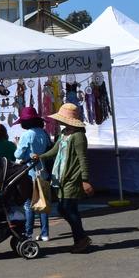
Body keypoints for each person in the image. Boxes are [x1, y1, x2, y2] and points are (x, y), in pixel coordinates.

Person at [33, 103, 93, 253]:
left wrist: (85, 179)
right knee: (66, 208)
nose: (58, 122)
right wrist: (40, 156)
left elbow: (82, 158)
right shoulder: (65, 133)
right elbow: (55, 151)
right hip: (61, 176)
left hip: (73, 177)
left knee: (66, 207)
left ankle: (82, 239)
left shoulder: (78, 136)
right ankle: (81, 238)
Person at [14, 107, 52, 242]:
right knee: (43, 203)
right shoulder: (44, 133)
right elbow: (49, 148)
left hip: (30, 173)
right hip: (44, 172)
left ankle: (28, 232)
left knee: (29, 203)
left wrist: (17, 145)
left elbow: (18, 154)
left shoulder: (27, 135)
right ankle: (45, 233)